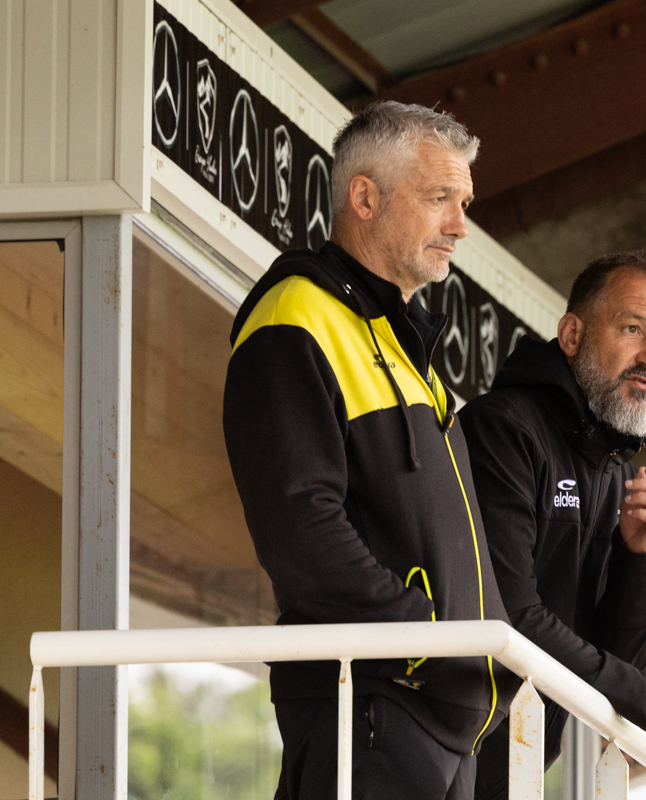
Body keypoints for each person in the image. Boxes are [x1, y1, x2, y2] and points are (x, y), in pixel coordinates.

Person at [222, 101, 515, 800]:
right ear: (364, 197)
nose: (459, 226)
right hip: (372, 701)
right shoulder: (295, 317)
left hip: (440, 717)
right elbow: (300, 526)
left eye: (464, 201)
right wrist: (426, 639)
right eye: (440, 197)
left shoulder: (403, 344)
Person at [459, 251, 646, 799]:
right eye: (632, 328)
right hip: (427, 762)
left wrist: (641, 555)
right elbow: (509, 618)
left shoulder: (614, 469)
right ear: (572, 335)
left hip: (501, 779)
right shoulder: (503, 430)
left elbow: (623, 666)